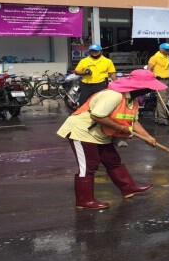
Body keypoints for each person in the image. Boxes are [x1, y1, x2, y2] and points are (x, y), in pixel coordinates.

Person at [56, 69, 163, 209]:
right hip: (82, 131)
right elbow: (97, 116)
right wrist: (120, 128)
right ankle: (84, 200)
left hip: (101, 133)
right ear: (139, 86)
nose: (149, 91)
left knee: (112, 160)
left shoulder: (132, 100)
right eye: (148, 88)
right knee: (88, 166)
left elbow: (133, 121)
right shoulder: (113, 95)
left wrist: (147, 137)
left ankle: (128, 188)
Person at [147, 43, 169, 126]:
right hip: (159, 80)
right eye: (166, 49)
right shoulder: (154, 58)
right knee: (162, 100)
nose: (168, 51)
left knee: (165, 99)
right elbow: (149, 69)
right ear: (161, 49)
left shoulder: (167, 57)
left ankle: (158, 118)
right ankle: (162, 119)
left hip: (168, 80)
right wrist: (153, 78)